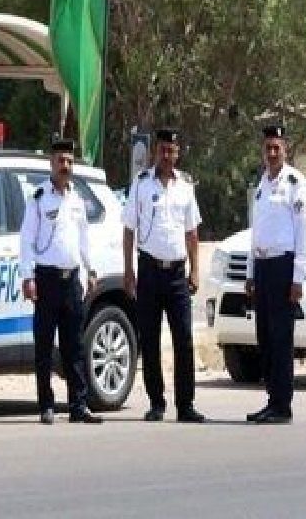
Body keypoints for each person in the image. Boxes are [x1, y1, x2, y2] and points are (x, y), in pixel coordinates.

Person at [123, 127, 205, 423]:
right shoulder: (141, 184)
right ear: (155, 152)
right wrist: (128, 270)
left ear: (178, 153)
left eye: (172, 151)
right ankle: (156, 402)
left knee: (183, 339)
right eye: (162, 151)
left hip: (176, 274)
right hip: (148, 271)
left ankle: (186, 405)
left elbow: (192, 233)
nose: (167, 156)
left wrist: (196, 269)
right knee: (150, 338)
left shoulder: (185, 186)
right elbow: (129, 230)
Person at [20, 138, 102, 425]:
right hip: (46, 280)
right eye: (60, 161)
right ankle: (46, 405)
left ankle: (78, 405)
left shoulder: (77, 199)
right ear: (51, 164)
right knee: (44, 345)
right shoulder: (39, 198)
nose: (65, 166)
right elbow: (27, 240)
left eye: (69, 161)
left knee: (75, 345)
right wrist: (28, 277)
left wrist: (91, 270)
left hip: (72, 281)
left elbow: (83, 240)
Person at [245, 124, 306, 424]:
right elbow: (255, 231)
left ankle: (283, 405)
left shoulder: (295, 183)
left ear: (286, 150)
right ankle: (272, 399)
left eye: (277, 148)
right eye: (268, 148)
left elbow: (302, 232)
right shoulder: (262, 184)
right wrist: (250, 272)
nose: (272, 153)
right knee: (265, 338)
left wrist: (298, 277)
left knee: (281, 338)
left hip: (283, 267)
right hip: (262, 267)